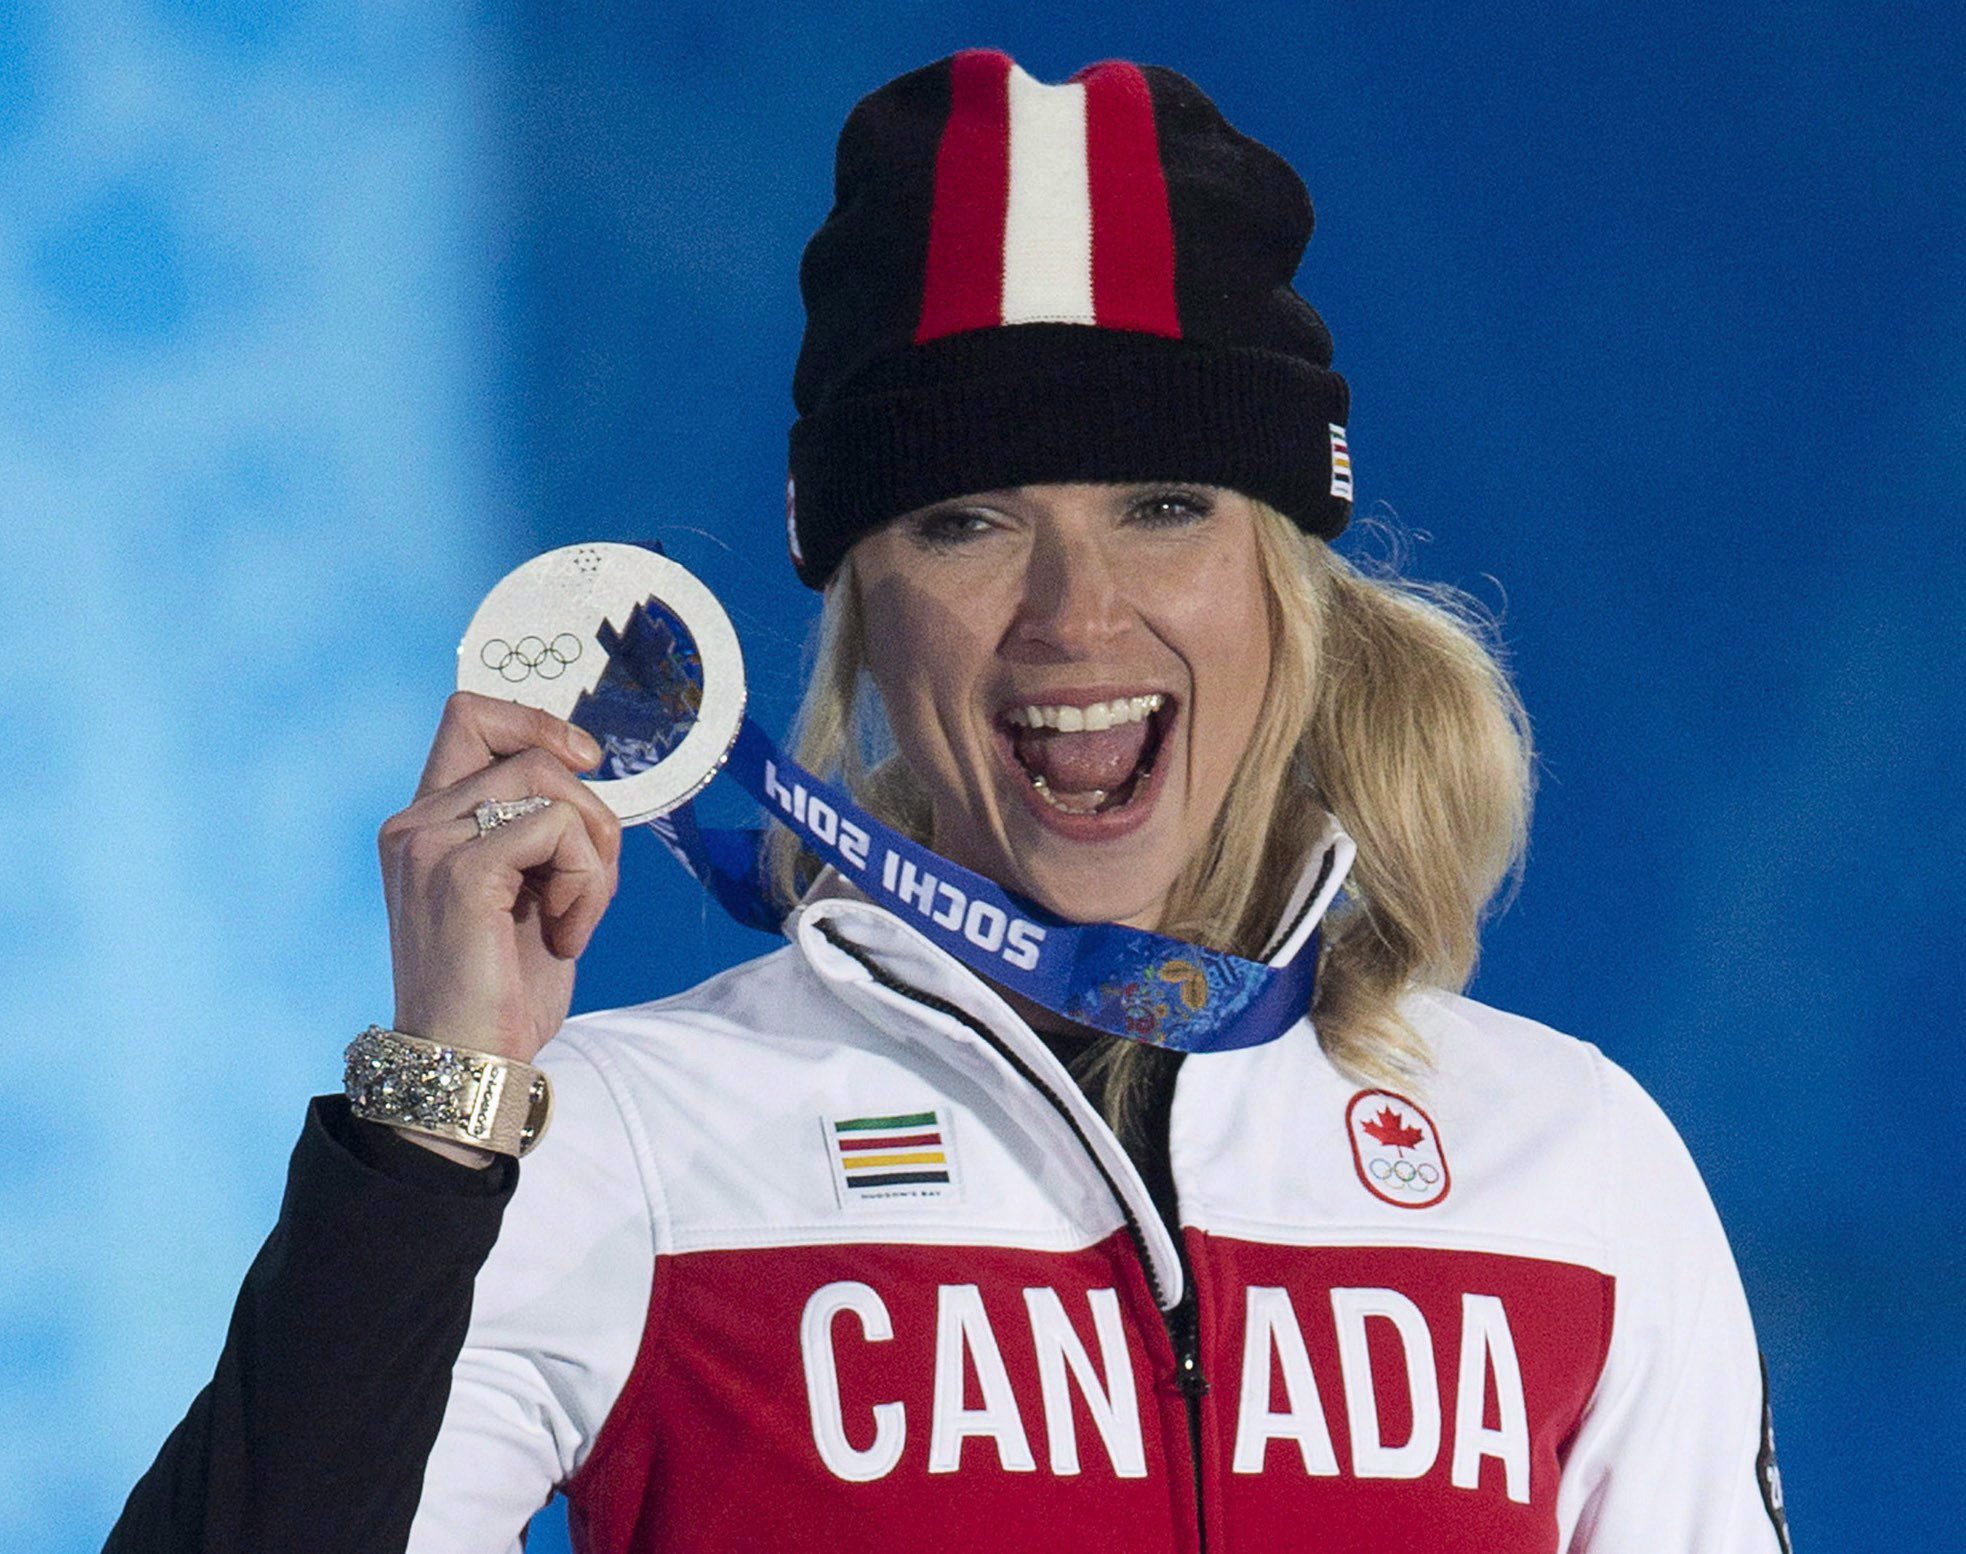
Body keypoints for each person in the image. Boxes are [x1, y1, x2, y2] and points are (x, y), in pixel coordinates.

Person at [106, 49, 1791, 1554]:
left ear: (1289, 581)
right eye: (964, 522)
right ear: (859, 612)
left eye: (1163, 503)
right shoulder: (637, 1141)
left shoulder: (1567, 1168)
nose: (1074, 615)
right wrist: (438, 1110)